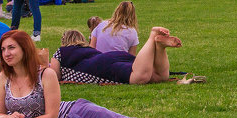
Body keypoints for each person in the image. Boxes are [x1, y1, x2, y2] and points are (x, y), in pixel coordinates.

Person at [49, 27, 180, 85]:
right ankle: (159, 47)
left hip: (100, 66)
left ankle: (152, 37)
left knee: (139, 77)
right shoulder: (87, 48)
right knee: (158, 77)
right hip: (113, 57)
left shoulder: (61, 51)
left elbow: (54, 75)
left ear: (64, 41)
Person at [0, 29, 61, 118]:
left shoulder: (46, 75)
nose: (6, 53)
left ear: (25, 48)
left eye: (11, 47)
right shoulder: (4, 76)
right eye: (3, 49)